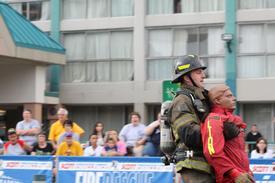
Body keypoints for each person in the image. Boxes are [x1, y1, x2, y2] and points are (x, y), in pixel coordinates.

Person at [169, 55, 215, 182]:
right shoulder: (182, 101)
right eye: (198, 72)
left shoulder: (201, 97)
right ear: (186, 77)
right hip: (194, 165)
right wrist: (219, 131)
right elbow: (189, 134)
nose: (203, 76)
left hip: (207, 164)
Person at [201, 84, 254, 183]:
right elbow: (212, 152)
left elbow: (238, 152)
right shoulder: (214, 119)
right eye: (229, 96)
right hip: (231, 179)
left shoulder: (232, 120)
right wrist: (235, 174)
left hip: (242, 176)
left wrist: (248, 172)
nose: (234, 99)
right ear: (217, 100)